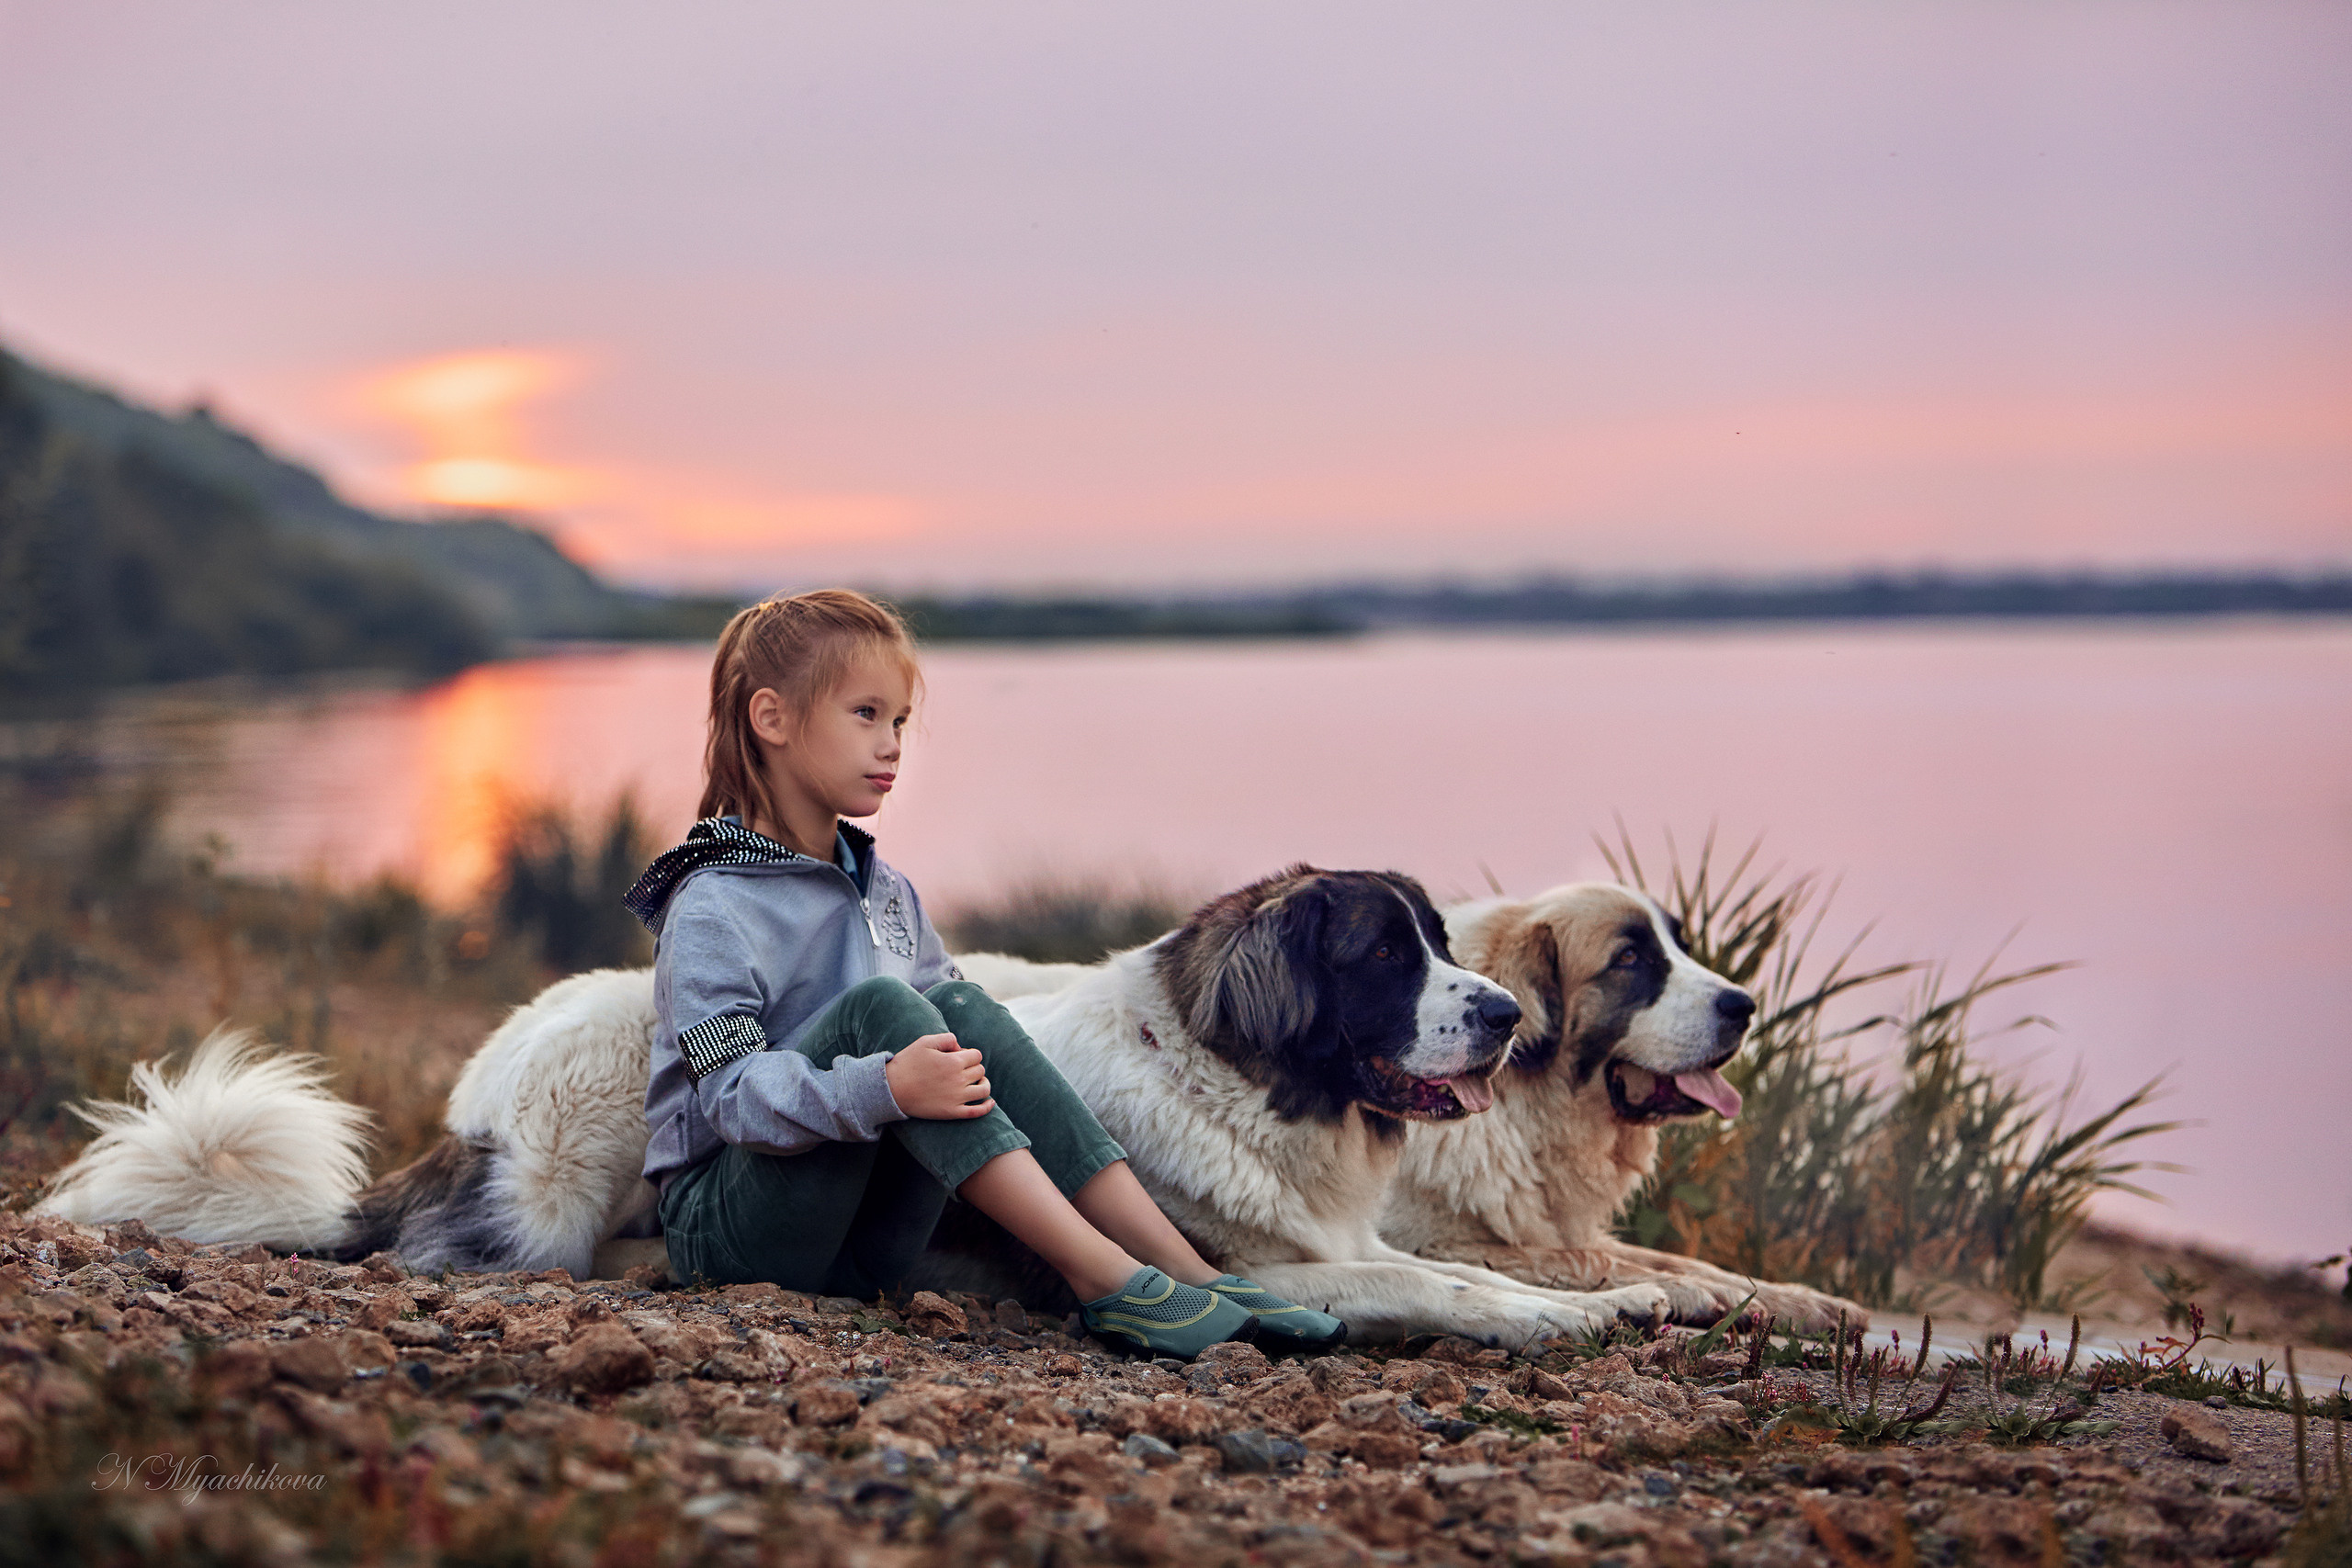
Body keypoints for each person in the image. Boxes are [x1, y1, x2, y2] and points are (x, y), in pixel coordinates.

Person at [623, 589, 1346, 1359]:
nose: (894, 743)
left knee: (959, 1002)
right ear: (772, 719)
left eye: (899, 720)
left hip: (867, 1247)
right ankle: (1109, 1281)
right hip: (735, 1236)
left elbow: (964, 1037)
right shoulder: (713, 903)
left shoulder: (887, 891)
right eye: (865, 714)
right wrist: (885, 1088)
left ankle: (1186, 1268)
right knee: (887, 1008)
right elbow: (732, 1098)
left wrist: (925, 1075)